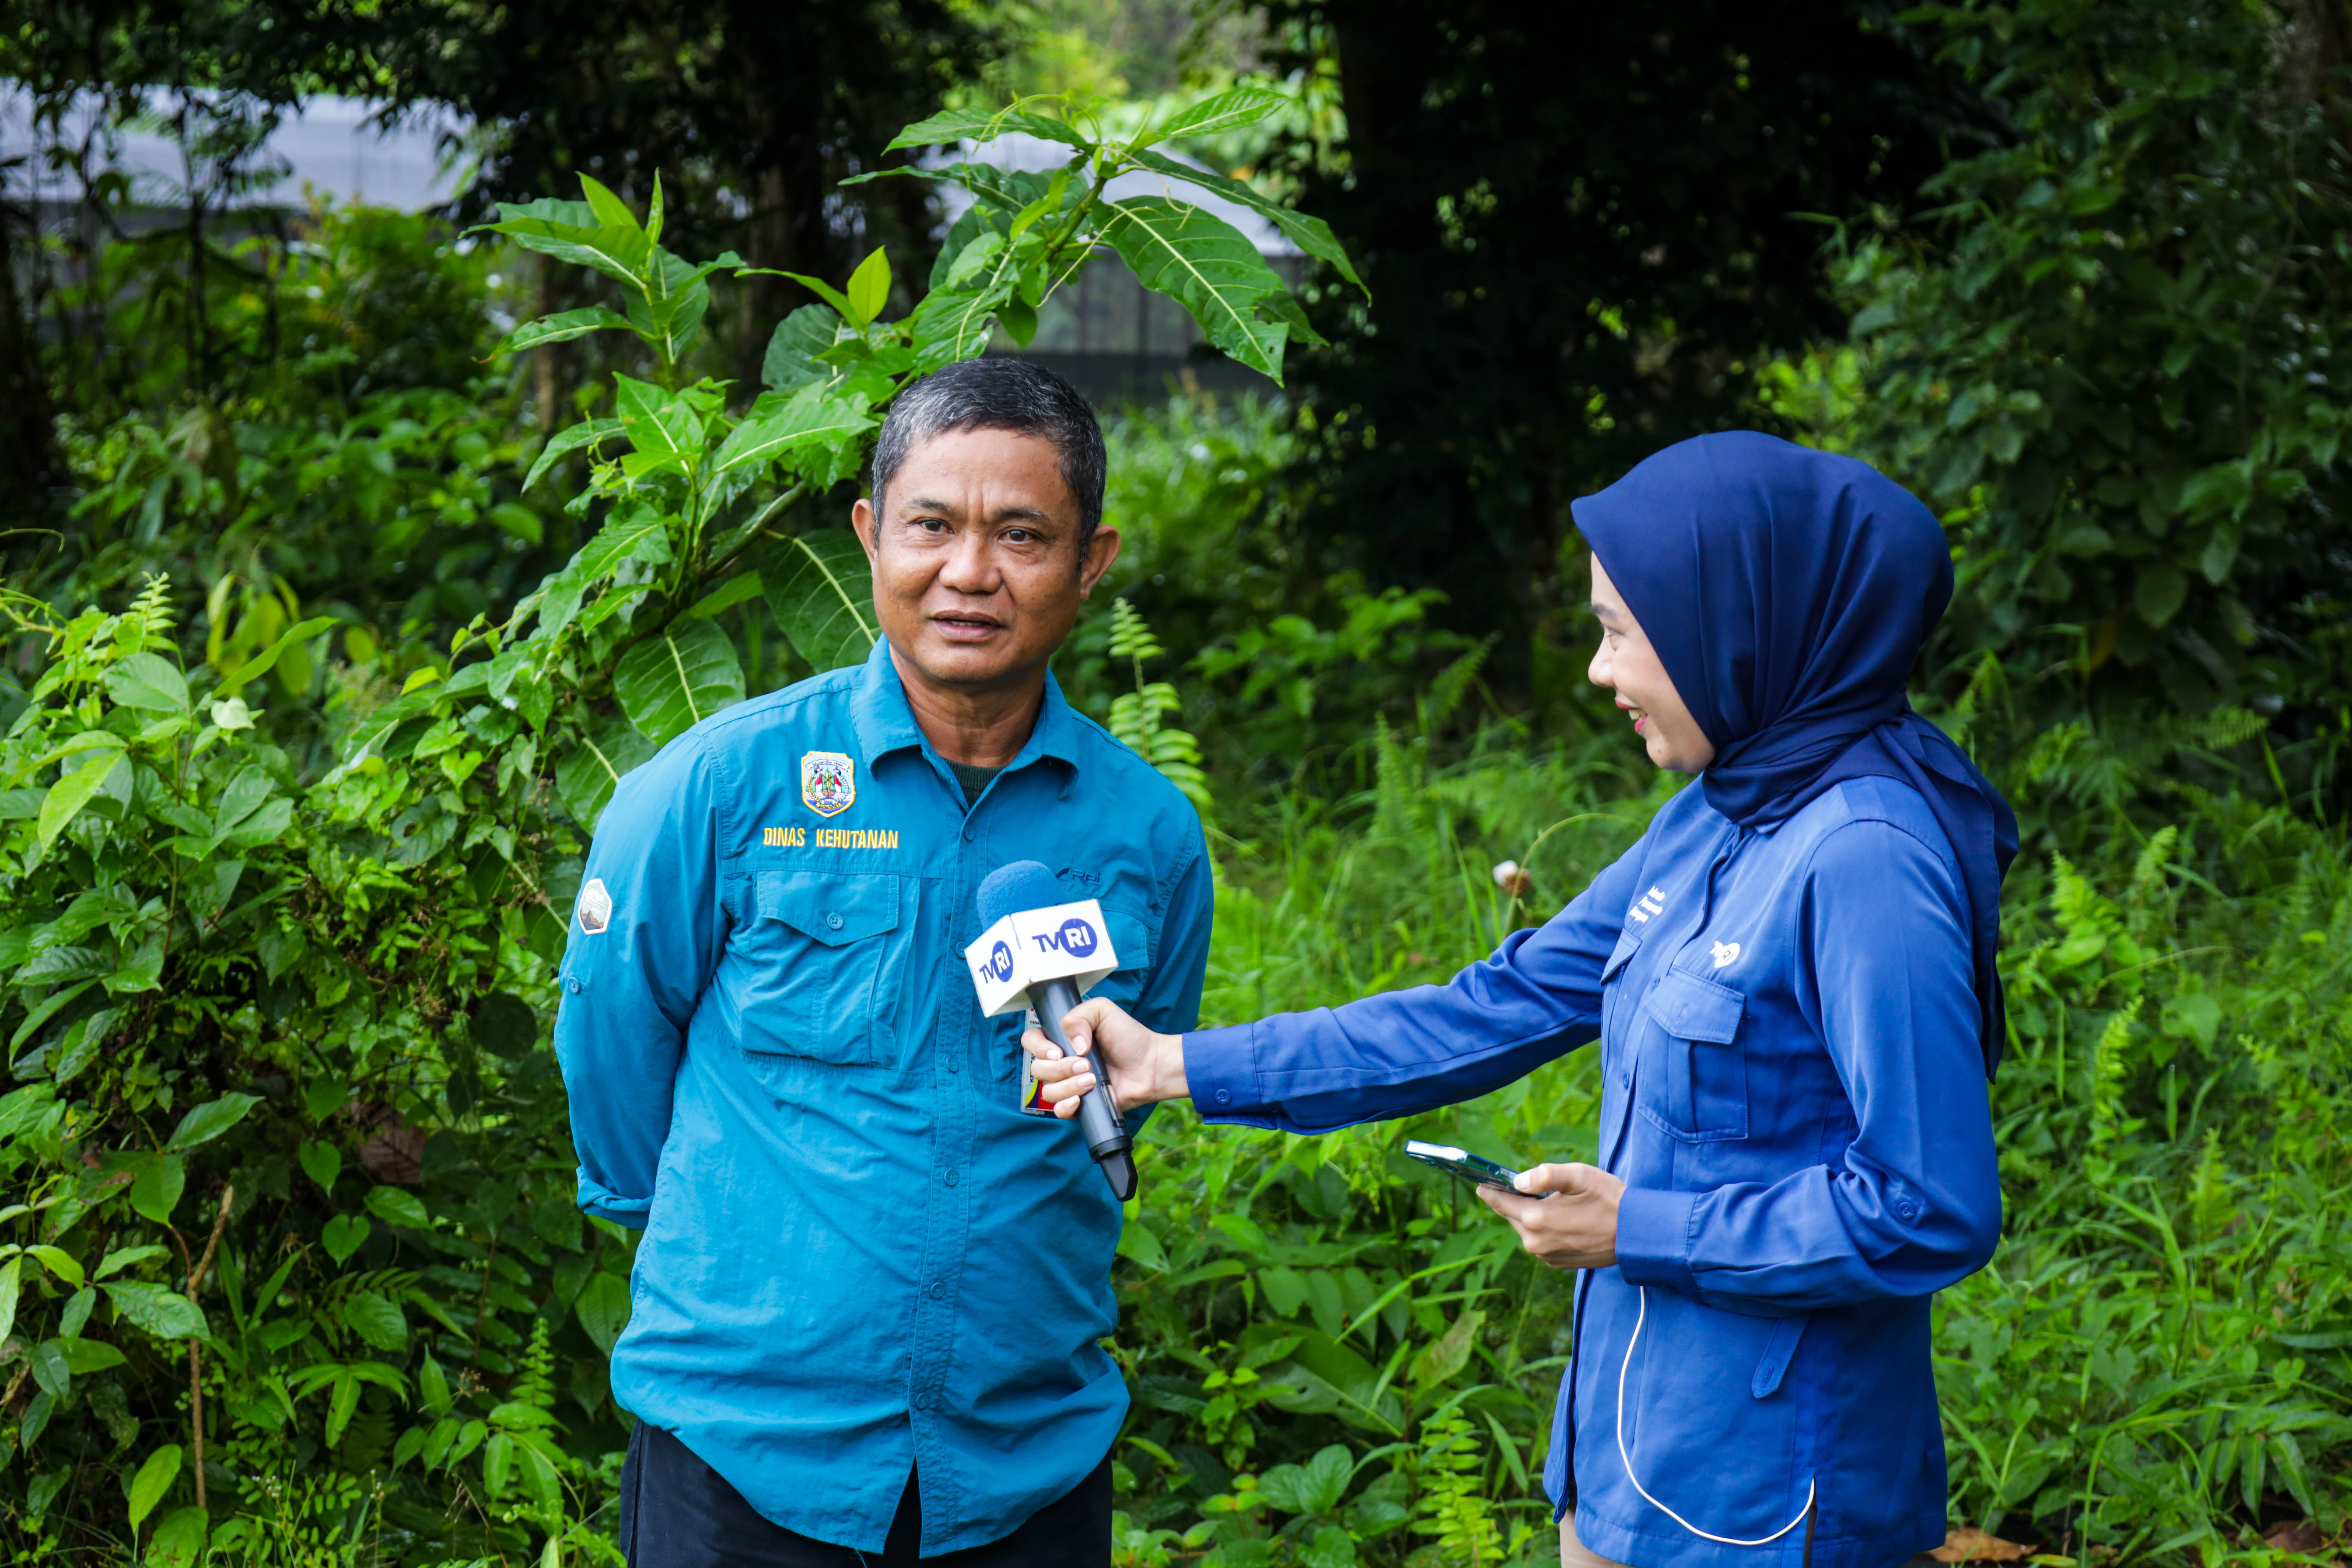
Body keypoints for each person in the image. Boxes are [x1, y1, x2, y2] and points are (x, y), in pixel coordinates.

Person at [1023, 432, 2016, 1568]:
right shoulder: (1722, 806)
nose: (1599, 671)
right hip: (1624, 1457)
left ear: (1733, 628)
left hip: (1774, 1501)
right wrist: (1175, 1066)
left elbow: (1932, 1204)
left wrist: (1633, 1227)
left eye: (1619, 633)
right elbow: (1487, 1009)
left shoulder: (1866, 859)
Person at [554, 358, 1214, 1566]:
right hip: (745, 1453)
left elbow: (1132, 1087)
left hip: (1023, 1463)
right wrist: (740, 1258)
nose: (970, 574)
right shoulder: (718, 788)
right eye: (932, 526)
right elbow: (613, 1047)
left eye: (1023, 535)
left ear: (1092, 563)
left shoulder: (1148, 836)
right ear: (869, 536)